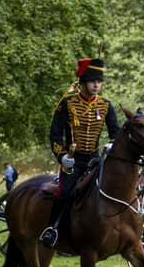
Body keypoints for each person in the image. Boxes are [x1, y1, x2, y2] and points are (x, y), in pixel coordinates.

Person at [40, 58, 121, 248]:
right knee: (66, 192)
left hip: (95, 159)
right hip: (73, 161)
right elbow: (55, 135)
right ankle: (53, 229)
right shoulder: (67, 104)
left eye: (99, 81)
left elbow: (116, 133)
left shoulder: (106, 105)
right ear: (83, 82)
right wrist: (62, 157)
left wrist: (113, 145)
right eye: (92, 81)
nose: (96, 85)